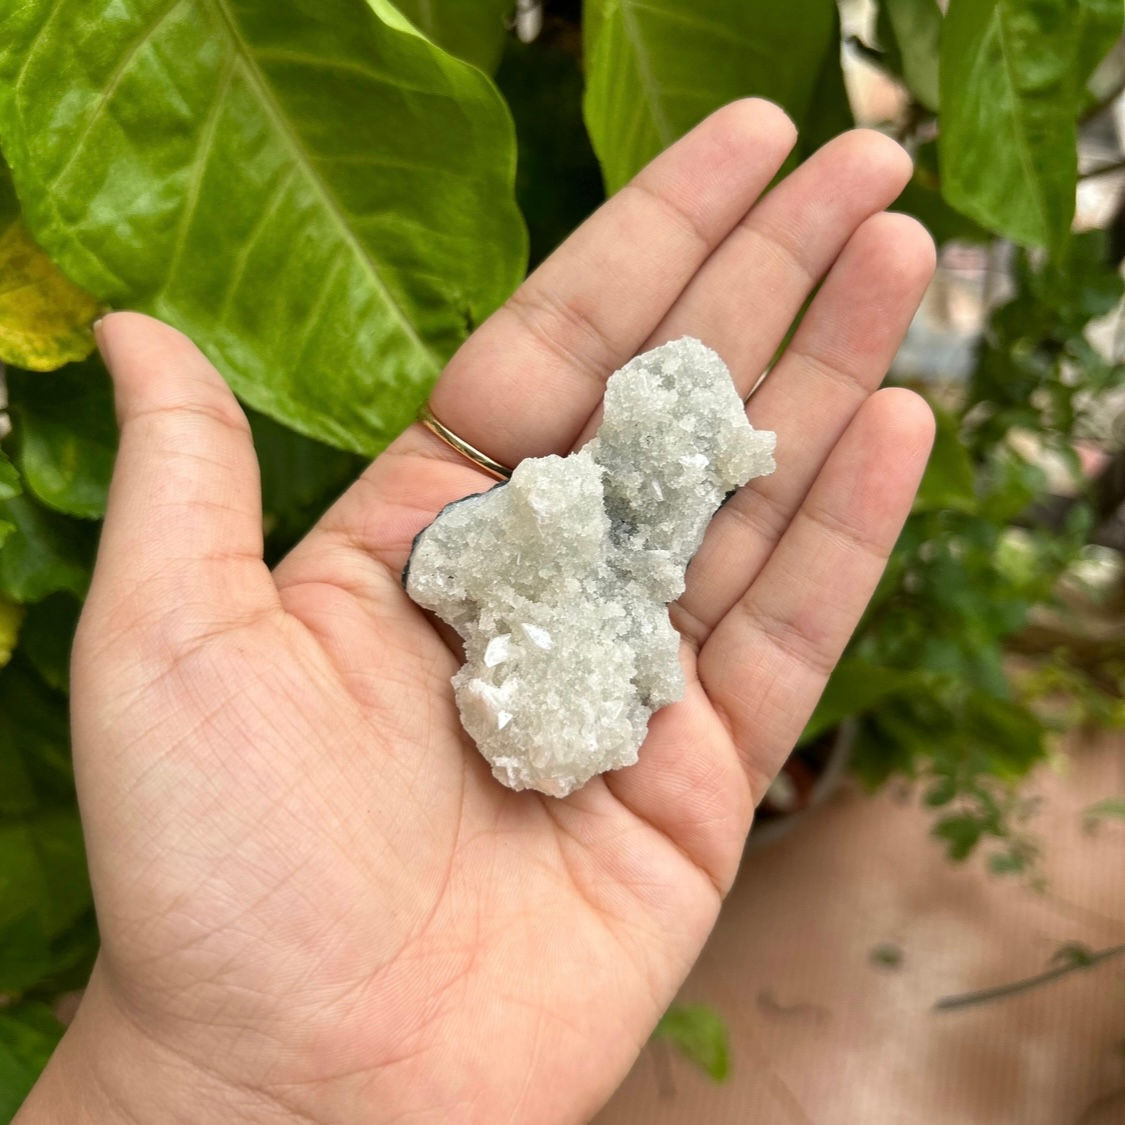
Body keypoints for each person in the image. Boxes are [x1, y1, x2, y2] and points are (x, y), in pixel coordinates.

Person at [16, 100, 936, 1124]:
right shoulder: (547, 528)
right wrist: (224, 1076)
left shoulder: (597, 551)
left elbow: (511, 571)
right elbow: (467, 562)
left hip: (573, 657)